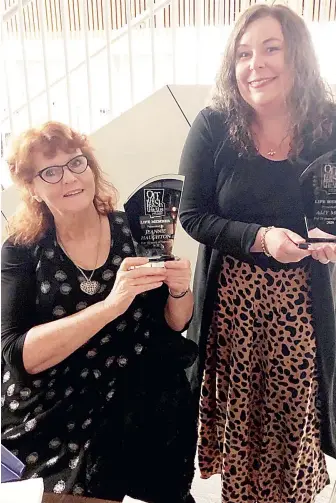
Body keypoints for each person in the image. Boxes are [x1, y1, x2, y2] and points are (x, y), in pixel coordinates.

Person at [178, 4, 336, 503]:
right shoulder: (215, 125)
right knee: (244, 433)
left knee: (295, 428)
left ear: (298, 55)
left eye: (270, 48)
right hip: (233, 308)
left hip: (304, 306)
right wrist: (262, 239)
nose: (254, 64)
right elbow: (192, 215)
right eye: (243, 53)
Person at [1, 121, 198, 503]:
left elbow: (175, 323)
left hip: (136, 390)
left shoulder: (135, 230)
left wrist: (180, 289)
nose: (69, 178)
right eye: (50, 171)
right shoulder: (22, 250)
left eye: (77, 163)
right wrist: (110, 306)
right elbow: (19, 354)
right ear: (33, 188)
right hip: (56, 399)